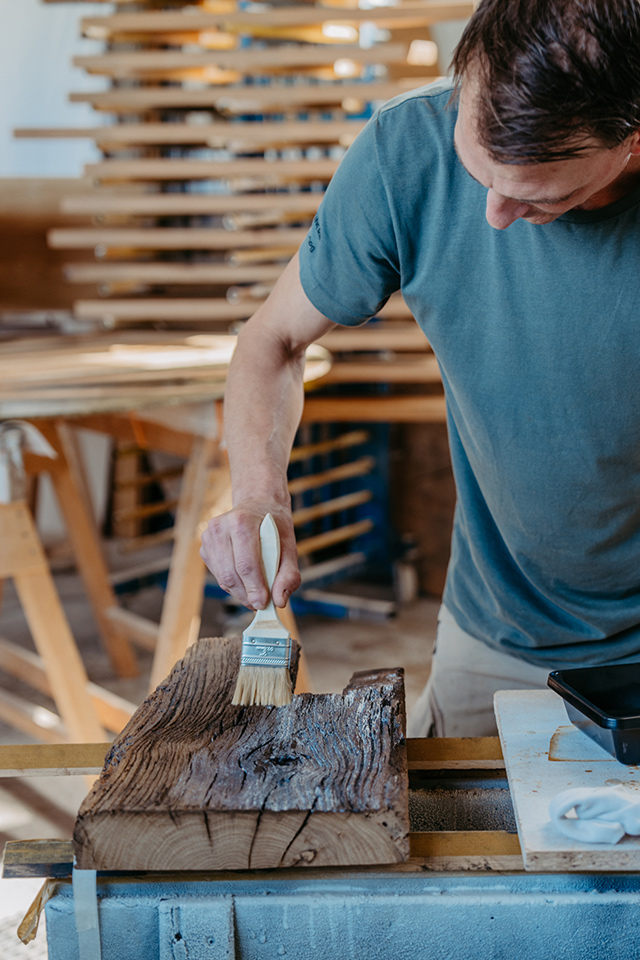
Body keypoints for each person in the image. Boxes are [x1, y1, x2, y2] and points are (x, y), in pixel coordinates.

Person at [200, 0, 640, 736]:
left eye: (540, 198)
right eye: (479, 174)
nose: (494, 215)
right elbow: (270, 342)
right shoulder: (407, 150)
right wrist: (258, 496)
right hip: (502, 634)